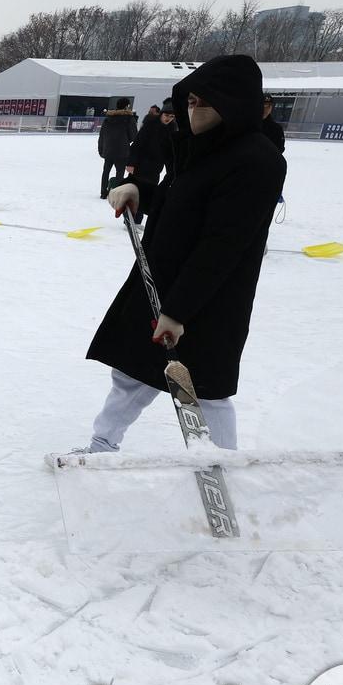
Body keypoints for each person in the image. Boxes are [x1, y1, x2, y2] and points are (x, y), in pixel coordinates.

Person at [76, 55, 286, 454]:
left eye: (204, 103)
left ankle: (220, 465)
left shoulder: (257, 160)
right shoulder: (197, 149)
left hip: (207, 297)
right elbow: (182, 203)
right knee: (132, 372)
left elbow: (222, 243)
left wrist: (179, 311)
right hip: (161, 280)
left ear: (234, 104)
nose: (194, 111)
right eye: (189, 102)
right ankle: (102, 444)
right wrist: (140, 191)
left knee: (203, 388)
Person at [124, 97, 177, 222]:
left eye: (172, 116)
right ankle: (129, 218)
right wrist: (131, 163)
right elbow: (137, 144)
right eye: (167, 115)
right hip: (140, 165)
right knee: (135, 192)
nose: (168, 118)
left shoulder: (172, 129)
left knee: (147, 195)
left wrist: (172, 171)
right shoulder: (150, 125)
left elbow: (170, 153)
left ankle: (137, 221)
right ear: (161, 113)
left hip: (155, 169)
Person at [97, 97, 138, 198]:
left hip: (108, 149)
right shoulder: (129, 118)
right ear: (127, 106)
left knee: (106, 171)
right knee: (120, 172)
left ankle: (103, 192)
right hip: (122, 150)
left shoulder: (108, 118)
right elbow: (133, 135)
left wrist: (101, 148)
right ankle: (117, 193)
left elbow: (102, 134)